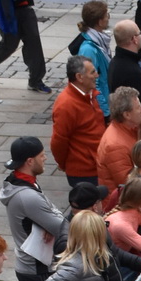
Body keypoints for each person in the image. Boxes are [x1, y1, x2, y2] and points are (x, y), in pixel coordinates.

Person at [0, 137, 69, 281]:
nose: (45, 158)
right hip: (37, 270)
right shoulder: (27, 196)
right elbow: (63, 227)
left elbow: (52, 214)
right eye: (42, 155)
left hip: (33, 268)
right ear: (30, 161)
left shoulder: (22, 182)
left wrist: (47, 222)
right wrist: (50, 223)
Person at [50, 58, 107, 192]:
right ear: (80, 77)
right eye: (92, 72)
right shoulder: (66, 105)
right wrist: (64, 164)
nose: (97, 75)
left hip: (97, 165)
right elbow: (58, 142)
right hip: (85, 171)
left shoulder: (90, 94)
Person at [67, 1, 114, 115]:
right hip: (101, 107)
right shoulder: (89, 49)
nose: (108, 18)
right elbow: (91, 82)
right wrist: (105, 111)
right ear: (100, 22)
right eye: (106, 15)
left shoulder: (99, 40)